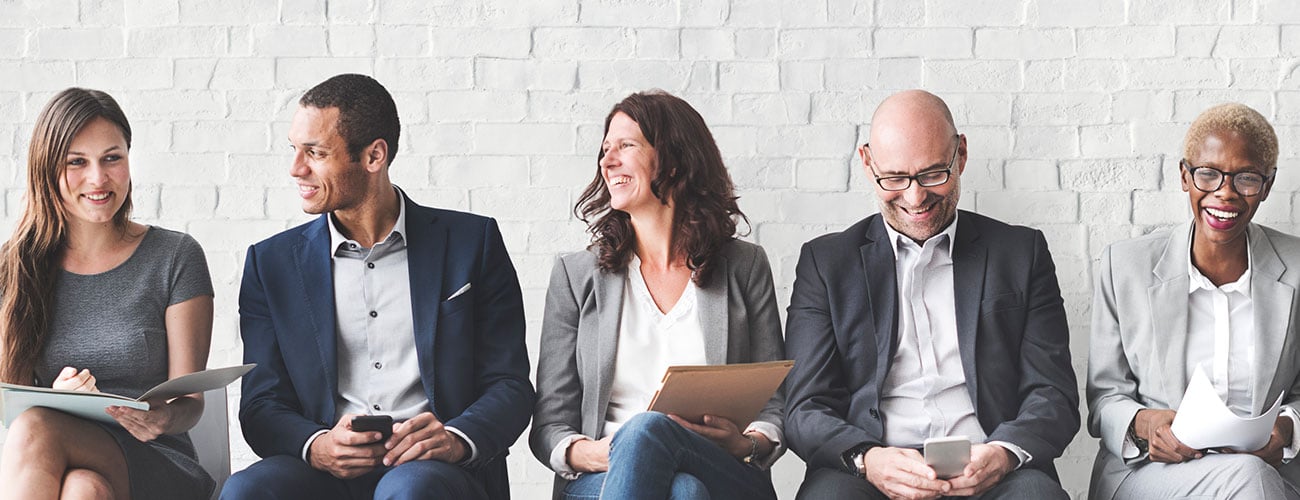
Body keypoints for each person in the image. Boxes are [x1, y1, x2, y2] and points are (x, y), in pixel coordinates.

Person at [221, 74, 534, 500]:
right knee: (245, 492)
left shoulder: (471, 244)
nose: (296, 168)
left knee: (410, 491)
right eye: (295, 150)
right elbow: (260, 404)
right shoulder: (270, 263)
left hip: (433, 471)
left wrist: (456, 438)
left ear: (374, 155)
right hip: (324, 472)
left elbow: (509, 384)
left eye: (315, 153)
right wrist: (317, 447)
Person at [783, 89, 1079, 499]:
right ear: (868, 164)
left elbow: (1053, 393)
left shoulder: (1021, 253)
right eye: (895, 178)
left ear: (960, 155)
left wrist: (1002, 453)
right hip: (869, 473)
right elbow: (804, 406)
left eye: (932, 174)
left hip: (994, 468)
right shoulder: (826, 263)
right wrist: (867, 458)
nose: (915, 197)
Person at [530, 90, 786, 500]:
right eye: (605, 148)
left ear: (673, 158)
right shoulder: (576, 275)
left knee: (652, 432)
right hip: (604, 474)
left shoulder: (744, 266)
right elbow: (549, 425)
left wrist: (747, 443)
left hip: (721, 469)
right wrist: (601, 452)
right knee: (683, 490)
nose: (607, 160)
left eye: (626, 145)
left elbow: (775, 399)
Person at [0, 88, 216, 500]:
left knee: (35, 426)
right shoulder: (16, 266)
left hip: (157, 457)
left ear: (129, 160)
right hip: (60, 458)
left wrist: (163, 417)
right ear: (47, 170)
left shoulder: (174, 256)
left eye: (111, 158)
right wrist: (53, 400)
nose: (98, 179)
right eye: (77, 162)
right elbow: (7, 400)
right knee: (84, 490)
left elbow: (190, 400)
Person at [1088, 103, 1300, 499]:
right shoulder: (1126, 266)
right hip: (1154, 474)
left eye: (1247, 179)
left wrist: (1288, 428)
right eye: (1208, 174)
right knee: (1248, 479)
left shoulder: (1297, 268)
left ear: (1267, 186)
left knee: (1250, 475)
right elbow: (1104, 397)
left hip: (1269, 472)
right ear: (1185, 176)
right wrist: (1145, 423)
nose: (1225, 192)